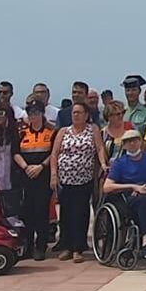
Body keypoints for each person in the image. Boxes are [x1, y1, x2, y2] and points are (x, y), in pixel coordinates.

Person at [48, 101, 107, 262]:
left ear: (86, 115)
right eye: (74, 112)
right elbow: (55, 154)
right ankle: (66, 246)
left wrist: (103, 164)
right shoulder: (63, 131)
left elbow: (100, 148)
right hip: (65, 179)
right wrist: (53, 174)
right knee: (65, 213)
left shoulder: (93, 129)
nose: (76, 115)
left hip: (84, 179)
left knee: (80, 213)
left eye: (79, 112)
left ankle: (78, 248)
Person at [104, 128, 146, 259]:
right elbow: (107, 187)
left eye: (135, 140)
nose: (132, 143)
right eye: (128, 141)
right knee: (142, 201)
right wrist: (133, 187)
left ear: (140, 142)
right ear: (124, 145)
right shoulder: (119, 163)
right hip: (129, 198)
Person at [15, 99, 56, 260]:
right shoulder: (22, 132)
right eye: (31, 113)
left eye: (37, 112)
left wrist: (41, 167)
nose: (34, 116)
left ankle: (41, 246)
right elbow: (15, 152)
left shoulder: (51, 132)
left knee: (41, 212)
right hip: (26, 177)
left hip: (43, 177)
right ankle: (28, 246)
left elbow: (54, 153)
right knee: (27, 213)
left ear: (42, 113)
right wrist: (26, 167)